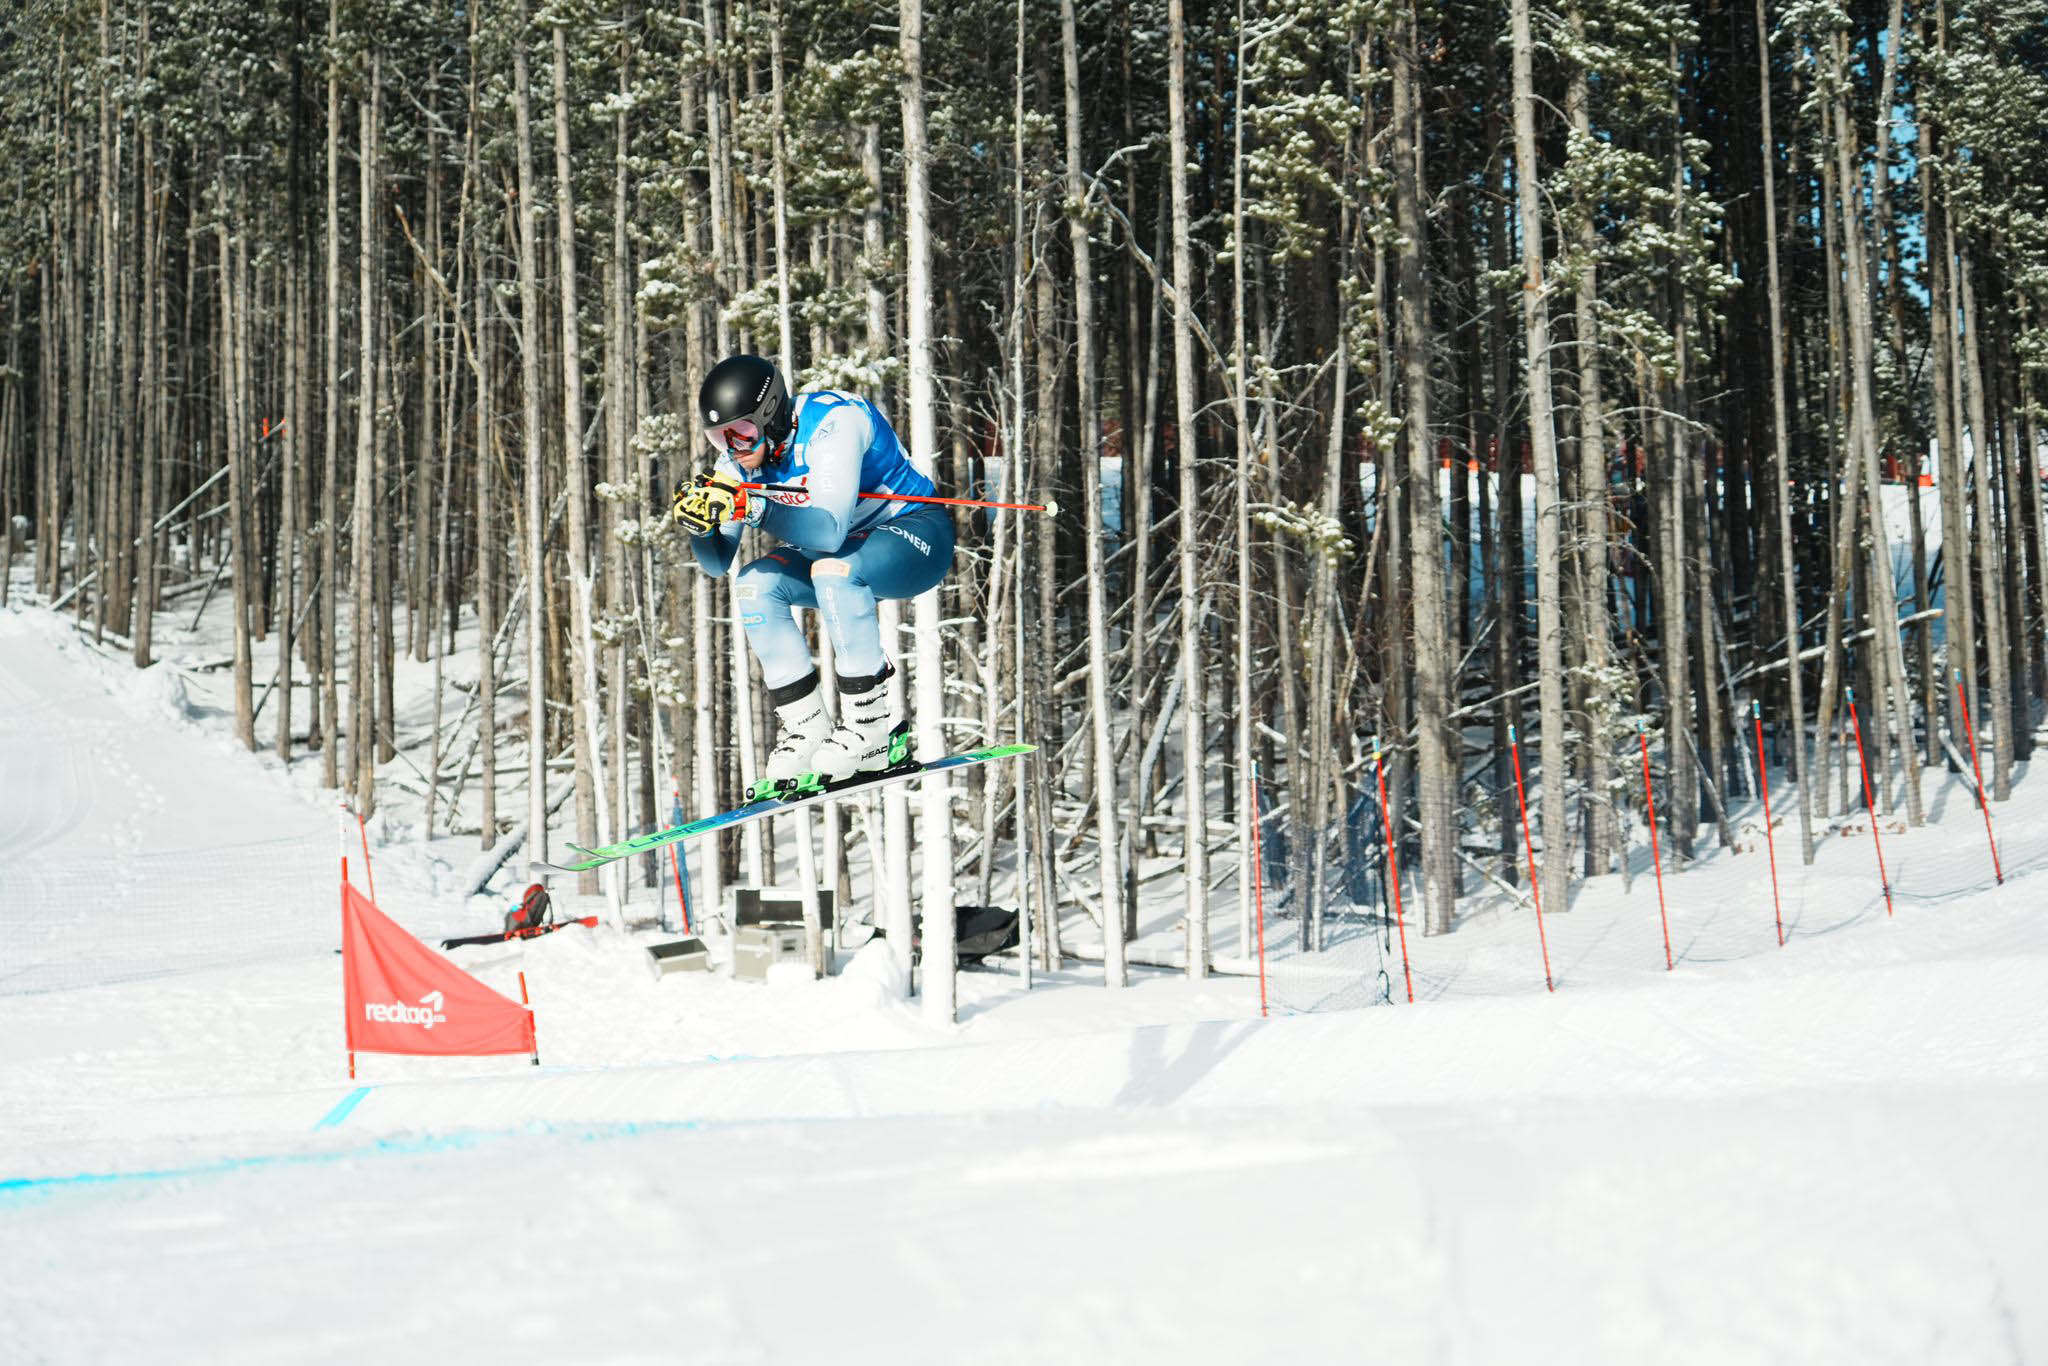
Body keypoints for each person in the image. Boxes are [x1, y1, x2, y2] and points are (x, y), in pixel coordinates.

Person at [672, 354, 955, 796]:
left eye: (742, 433)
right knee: (753, 585)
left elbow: (828, 531)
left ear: (772, 415)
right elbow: (716, 564)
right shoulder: (737, 462)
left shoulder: (832, 423)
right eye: (718, 437)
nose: (733, 448)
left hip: (914, 536)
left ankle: (871, 728)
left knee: (833, 568)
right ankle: (808, 729)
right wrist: (702, 526)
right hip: (845, 555)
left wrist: (753, 506)